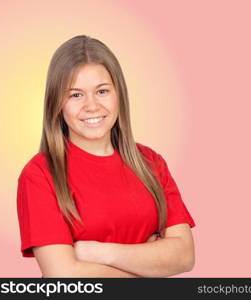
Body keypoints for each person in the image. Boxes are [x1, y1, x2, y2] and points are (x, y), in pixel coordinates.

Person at [16, 35, 196, 278]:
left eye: (102, 91)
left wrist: (97, 252)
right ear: (57, 104)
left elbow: (184, 256)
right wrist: (152, 263)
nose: (92, 106)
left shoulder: (151, 163)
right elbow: (64, 276)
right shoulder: (39, 175)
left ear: (119, 94)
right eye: (75, 95)